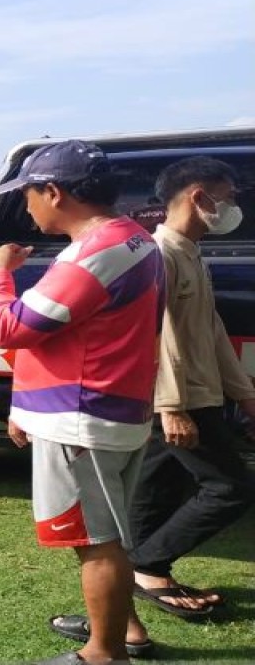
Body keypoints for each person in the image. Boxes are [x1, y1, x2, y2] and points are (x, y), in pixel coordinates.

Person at [0, 140, 163, 665]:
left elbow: (12, 326)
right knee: (109, 532)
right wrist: (25, 406)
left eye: (29, 195)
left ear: (54, 192)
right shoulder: (134, 240)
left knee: (95, 539)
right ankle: (121, 627)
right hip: (109, 407)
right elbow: (72, 335)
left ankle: (103, 653)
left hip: (83, 417)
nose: (27, 206)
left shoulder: (96, 251)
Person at [126, 156, 254, 617]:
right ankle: (146, 564)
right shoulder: (158, 255)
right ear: (199, 197)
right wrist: (171, 407)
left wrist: (244, 394)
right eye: (230, 197)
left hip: (199, 393)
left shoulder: (190, 251)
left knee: (157, 484)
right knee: (230, 487)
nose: (235, 206)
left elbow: (210, 329)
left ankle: (136, 571)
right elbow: (158, 337)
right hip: (179, 398)